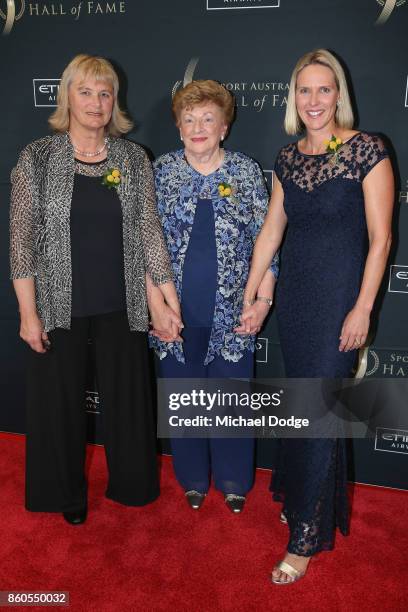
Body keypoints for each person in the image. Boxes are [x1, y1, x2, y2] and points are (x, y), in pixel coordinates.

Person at [239, 49, 394, 583]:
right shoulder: (287, 157)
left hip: (338, 302)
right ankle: (306, 496)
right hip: (298, 302)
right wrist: (254, 288)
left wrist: (363, 308)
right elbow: (271, 231)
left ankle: (306, 535)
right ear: (293, 97)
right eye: (304, 90)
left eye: (323, 89)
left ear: (339, 94)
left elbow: (382, 241)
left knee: (320, 406)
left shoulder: (367, 150)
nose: (314, 100)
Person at [10, 54, 181, 525]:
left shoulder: (133, 158)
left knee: (129, 407)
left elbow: (149, 234)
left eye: (104, 93)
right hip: (57, 307)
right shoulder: (38, 157)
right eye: (85, 91)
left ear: (114, 102)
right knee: (57, 409)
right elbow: (21, 243)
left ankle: (133, 486)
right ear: (67, 96)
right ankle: (65, 496)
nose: (96, 102)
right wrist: (28, 314)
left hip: (122, 305)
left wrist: (164, 302)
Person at [149, 80, 279, 513]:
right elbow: (145, 245)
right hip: (174, 311)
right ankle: (191, 478)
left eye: (208, 118)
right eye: (189, 119)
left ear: (225, 126)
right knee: (184, 397)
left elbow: (267, 243)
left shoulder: (245, 171)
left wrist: (262, 302)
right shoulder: (162, 171)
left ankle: (234, 479)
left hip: (234, 312)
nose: (198, 127)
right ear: (178, 127)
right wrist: (157, 307)